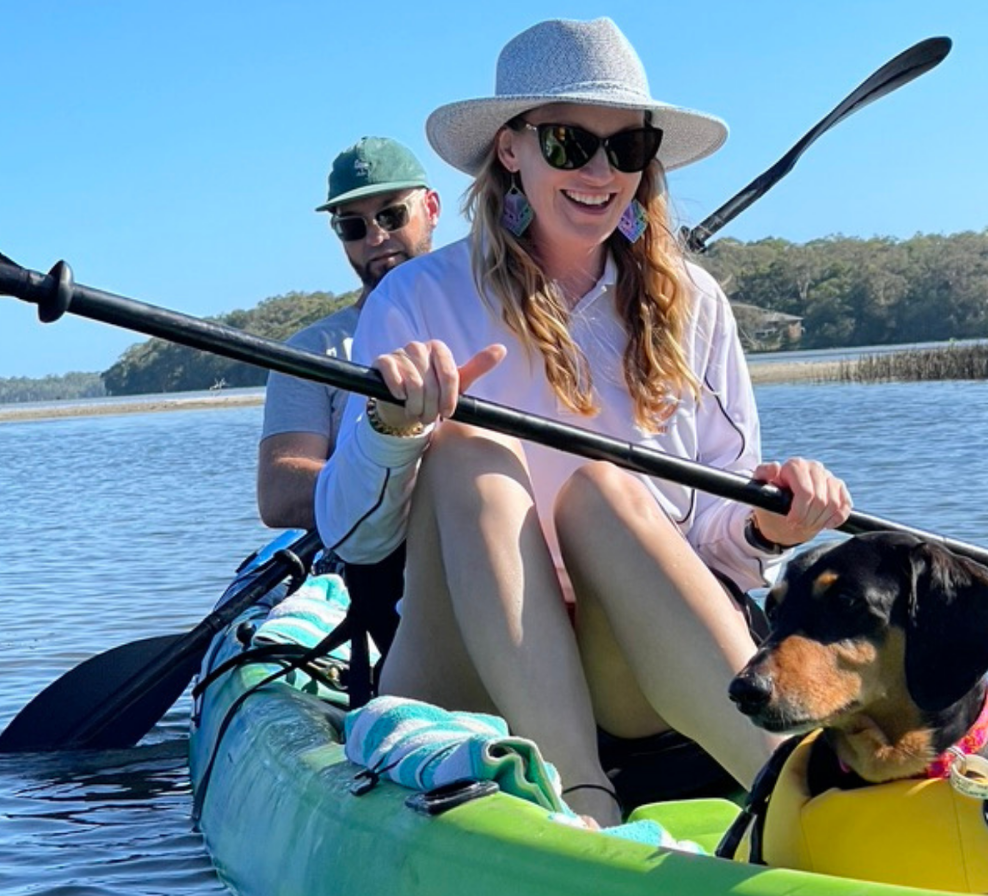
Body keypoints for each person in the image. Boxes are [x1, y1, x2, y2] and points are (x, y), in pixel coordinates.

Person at [315, 18, 852, 826]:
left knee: (605, 487)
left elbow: (716, 542)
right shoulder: (414, 300)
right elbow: (351, 539)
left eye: (627, 148)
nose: (601, 172)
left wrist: (772, 529)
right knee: (468, 453)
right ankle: (581, 803)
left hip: (624, 672)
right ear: (511, 151)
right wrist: (392, 429)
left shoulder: (695, 304)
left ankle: (807, 801)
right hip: (462, 670)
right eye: (569, 144)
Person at [256, 136, 441, 529]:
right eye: (353, 226)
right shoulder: (309, 353)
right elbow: (279, 495)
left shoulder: (491, 312)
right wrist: (399, 473)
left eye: (392, 216)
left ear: (432, 209)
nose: (375, 238)